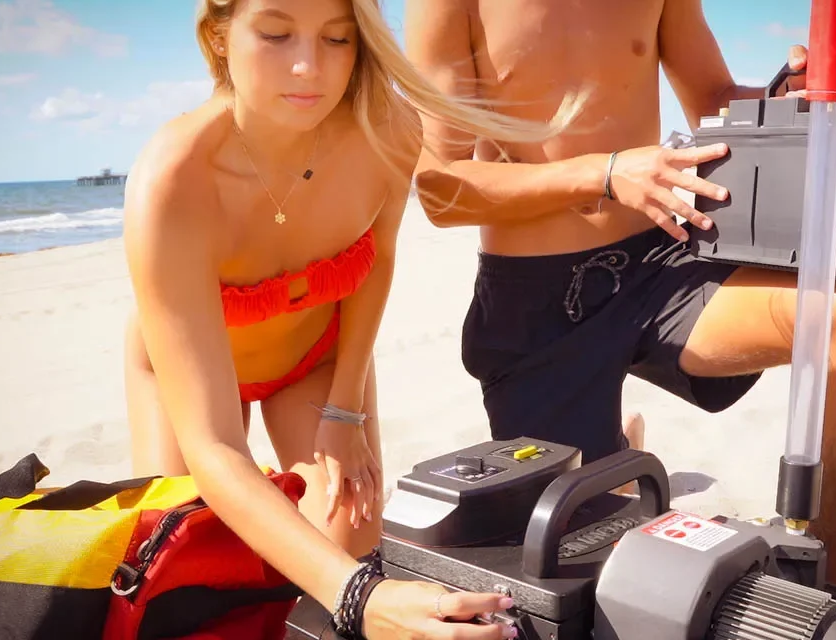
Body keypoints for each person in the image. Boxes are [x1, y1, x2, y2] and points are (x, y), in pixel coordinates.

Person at [404, 0, 836, 588]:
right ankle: (617, 448)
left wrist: (794, 92)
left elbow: (713, 96)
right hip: (537, 304)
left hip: (661, 265)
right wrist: (603, 172)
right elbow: (441, 188)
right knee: (571, 558)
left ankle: (830, 596)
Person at [123, 0, 577, 637]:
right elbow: (215, 446)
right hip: (188, 377)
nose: (309, 66)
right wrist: (365, 600)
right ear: (221, 36)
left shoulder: (387, 130)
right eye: (277, 34)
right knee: (179, 561)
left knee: (346, 539)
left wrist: (346, 411)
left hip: (313, 360)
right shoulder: (173, 178)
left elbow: (377, 263)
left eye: (337, 39)